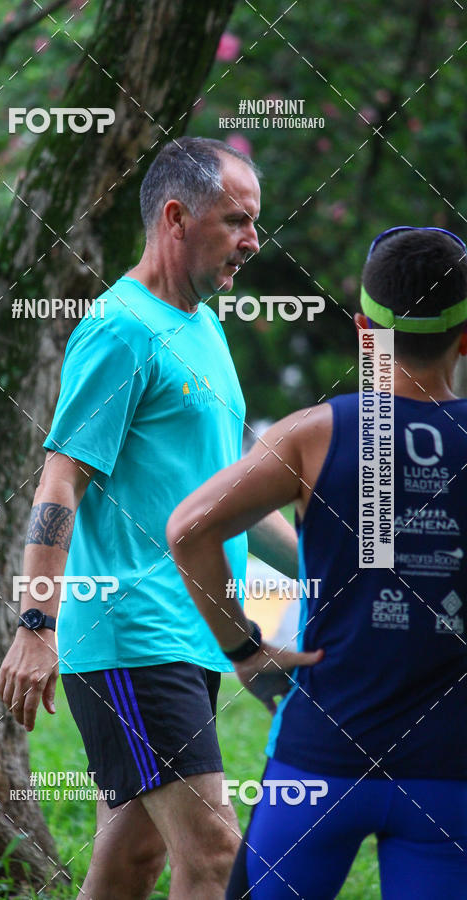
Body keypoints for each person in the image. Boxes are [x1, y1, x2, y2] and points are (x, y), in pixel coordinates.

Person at [0, 136, 306, 900]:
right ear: (176, 215)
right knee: (215, 855)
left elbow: (226, 485)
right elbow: (61, 477)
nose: (252, 242)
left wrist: (331, 568)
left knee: (132, 860)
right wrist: (35, 624)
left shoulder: (204, 328)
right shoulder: (121, 329)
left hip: (193, 632)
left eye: (254, 222)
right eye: (236, 220)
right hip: (132, 632)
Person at [167, 227, 467, 899]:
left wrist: (242, 647)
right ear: (466, 336)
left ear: (365, 330)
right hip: (450, 772)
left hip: (321, 761)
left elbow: (188, 529)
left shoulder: (313, 433)